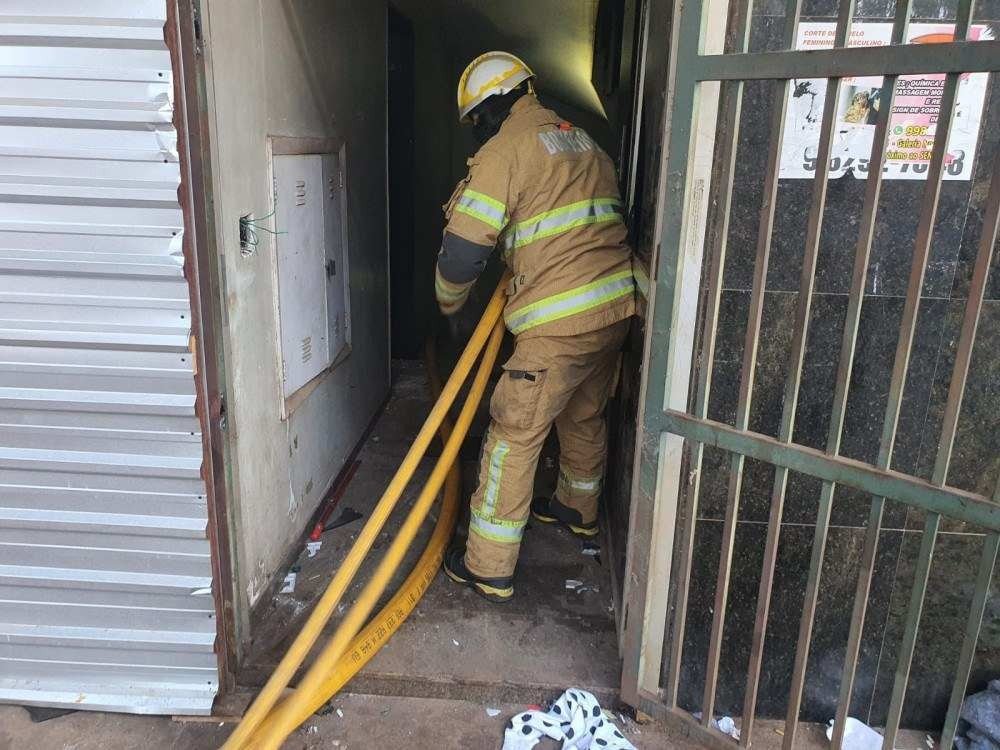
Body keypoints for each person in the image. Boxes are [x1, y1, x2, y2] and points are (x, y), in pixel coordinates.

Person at [436, 51, 636, 602]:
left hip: (557, 321)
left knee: (513, 436)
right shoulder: (583, 141)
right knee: (583, 411)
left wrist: (451, 309)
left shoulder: (506, 150)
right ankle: (578, 507)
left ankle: (488, 565)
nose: (476, 132)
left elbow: (461, 256)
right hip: (615, 309)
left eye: (476, 120)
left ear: (489, 110)